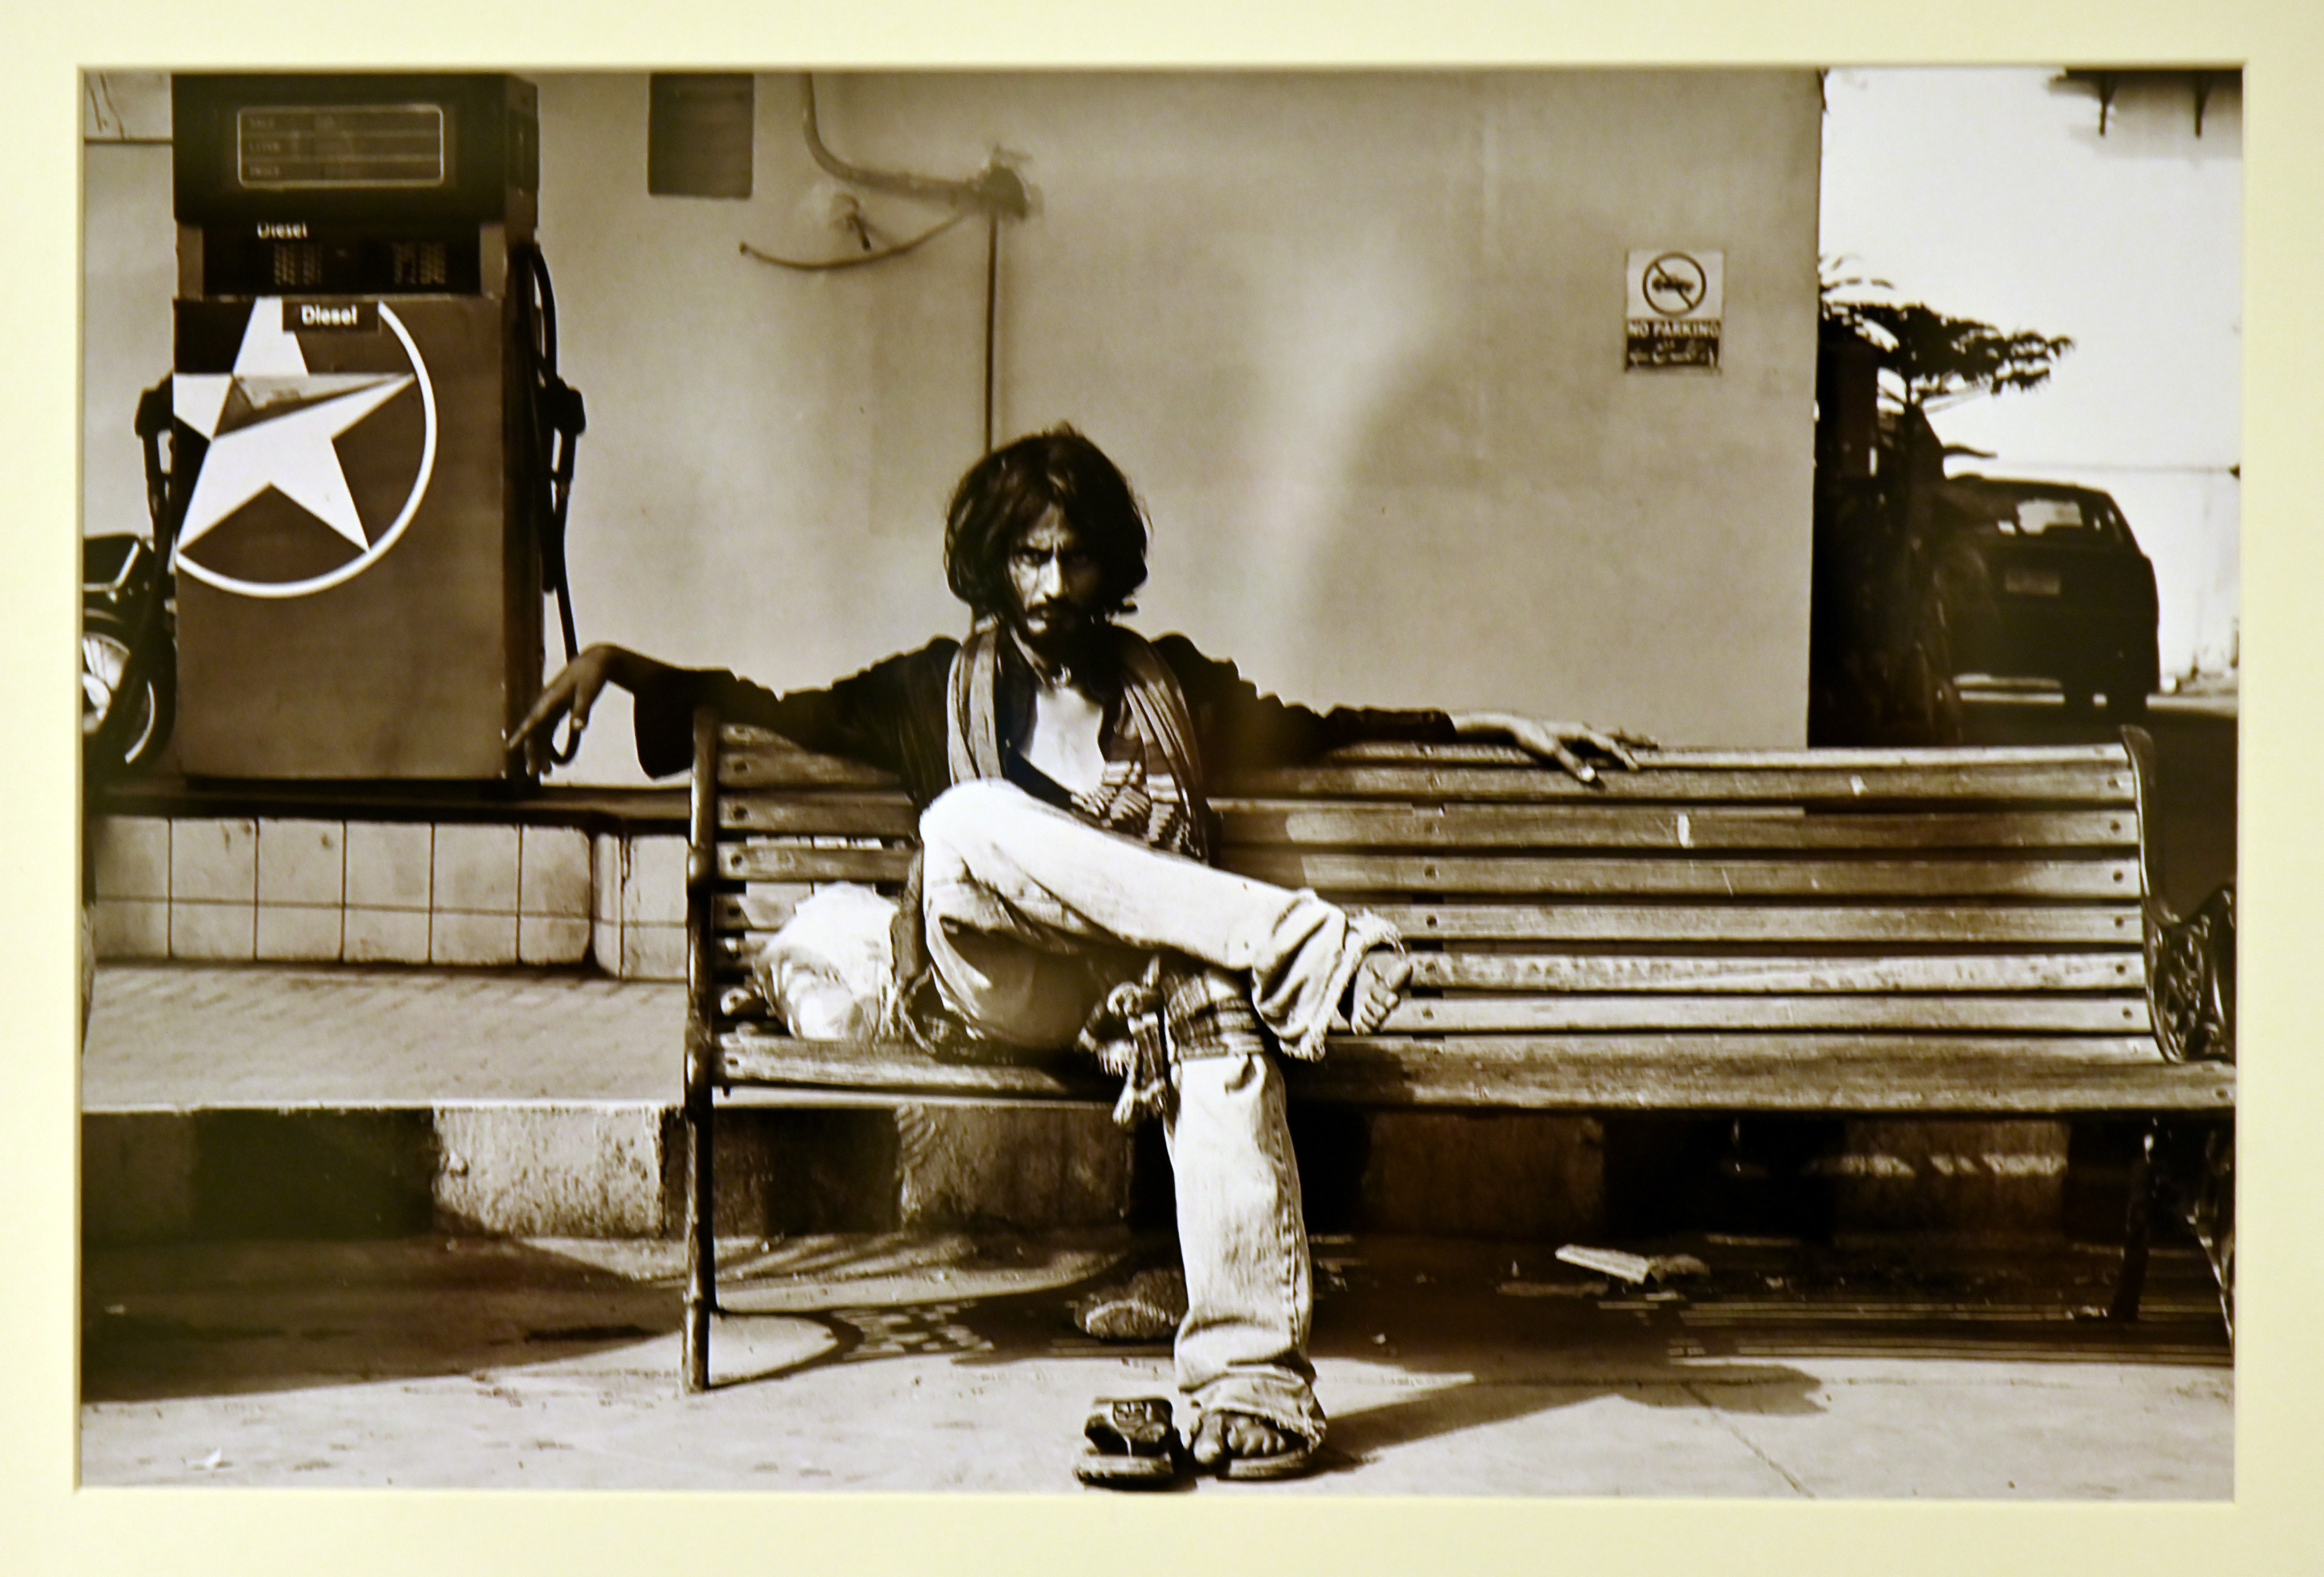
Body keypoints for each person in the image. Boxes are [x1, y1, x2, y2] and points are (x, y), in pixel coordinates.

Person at [510, 425, 1638, 1481]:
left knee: (1219, 1013)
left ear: (1113, 567)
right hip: (990, 983)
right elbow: (759, 706)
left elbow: (1322, 724)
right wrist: (614, 659)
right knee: (962, 822)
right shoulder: (924, 689)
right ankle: (1295, 940)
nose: (1051, 587)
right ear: (990, 565)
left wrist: (1484, 724)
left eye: (1077, 559)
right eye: (1027, 557)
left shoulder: (1170, 682)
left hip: (1136, 998)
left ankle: (1254, 1383)